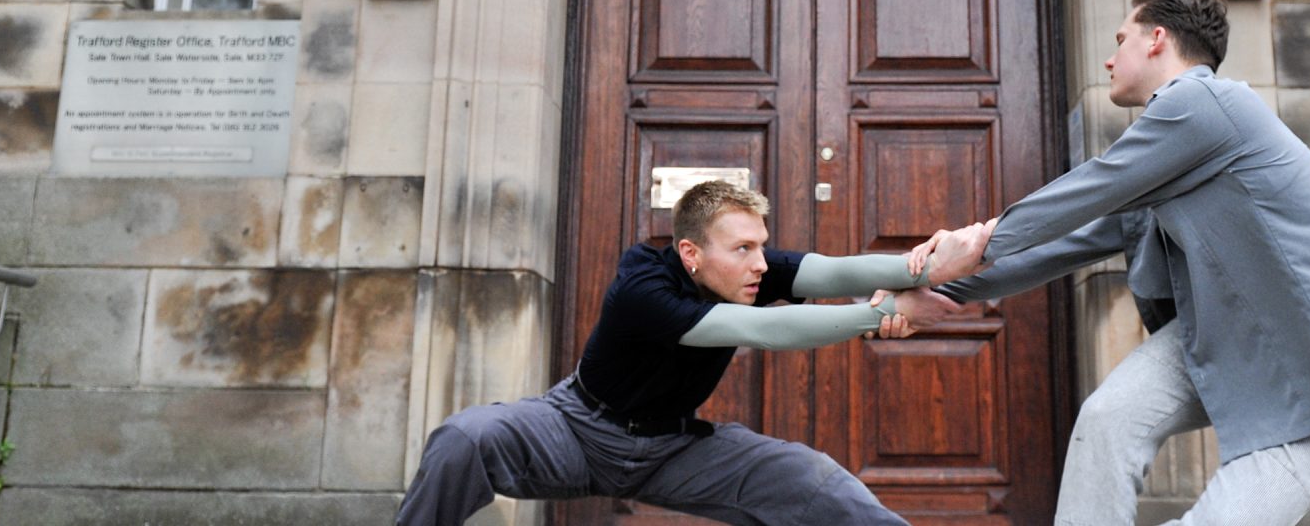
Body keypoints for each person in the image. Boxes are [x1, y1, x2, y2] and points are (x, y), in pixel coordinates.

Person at [919, 0, 1310, 526]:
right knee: (1108, 420)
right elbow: (1070, 241)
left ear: (1156, 39)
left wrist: (976, 244)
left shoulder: (1205, 104)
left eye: (1120, 39)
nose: (1109, 59)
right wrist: (935, 292)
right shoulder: (1168, 153)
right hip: (1223, 331)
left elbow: (1087, 191)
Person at [395, 178, 989, 526]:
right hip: (575, 431)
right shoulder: (642, 287)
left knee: (816, 483)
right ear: (691, 254)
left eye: (761, 245)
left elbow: (834, 272)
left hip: (672, 448)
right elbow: (766, 331)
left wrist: (929, 265)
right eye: (743, 248)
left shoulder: (748, 270)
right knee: (465, 438)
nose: (761, 262)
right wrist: (884, 315)